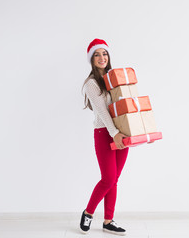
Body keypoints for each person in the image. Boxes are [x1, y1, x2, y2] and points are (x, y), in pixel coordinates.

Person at [80, 38, 128, 236]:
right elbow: (102, 112)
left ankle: (108, 221)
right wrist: (115, 134)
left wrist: (125, 131)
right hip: (104, 133)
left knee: (114, 179)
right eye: (97, 54)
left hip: (121, 133)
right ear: (92, 59)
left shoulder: (114, 78)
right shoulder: (92, 83)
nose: (102, 57)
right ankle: (88, 213)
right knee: (107, 179)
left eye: (105, 53)